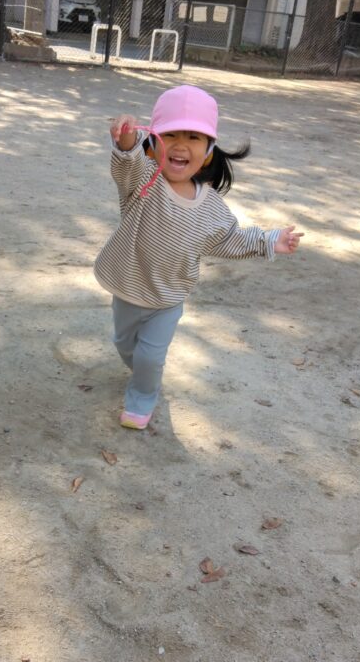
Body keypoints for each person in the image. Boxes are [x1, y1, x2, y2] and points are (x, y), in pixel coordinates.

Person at [94, 84, 302, 430]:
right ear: (153, 143)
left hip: (168, 298)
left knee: (150, 356)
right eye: (170, 135)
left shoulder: (210, 206)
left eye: (193, 137)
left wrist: (268, 240)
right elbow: (126, 164)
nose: (180, 145)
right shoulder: (144, 181)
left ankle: (142, 398)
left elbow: (230, 238)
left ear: (207, 152)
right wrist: (127, 139)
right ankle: (143, 372)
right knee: (125, 346)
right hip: (128, 288)